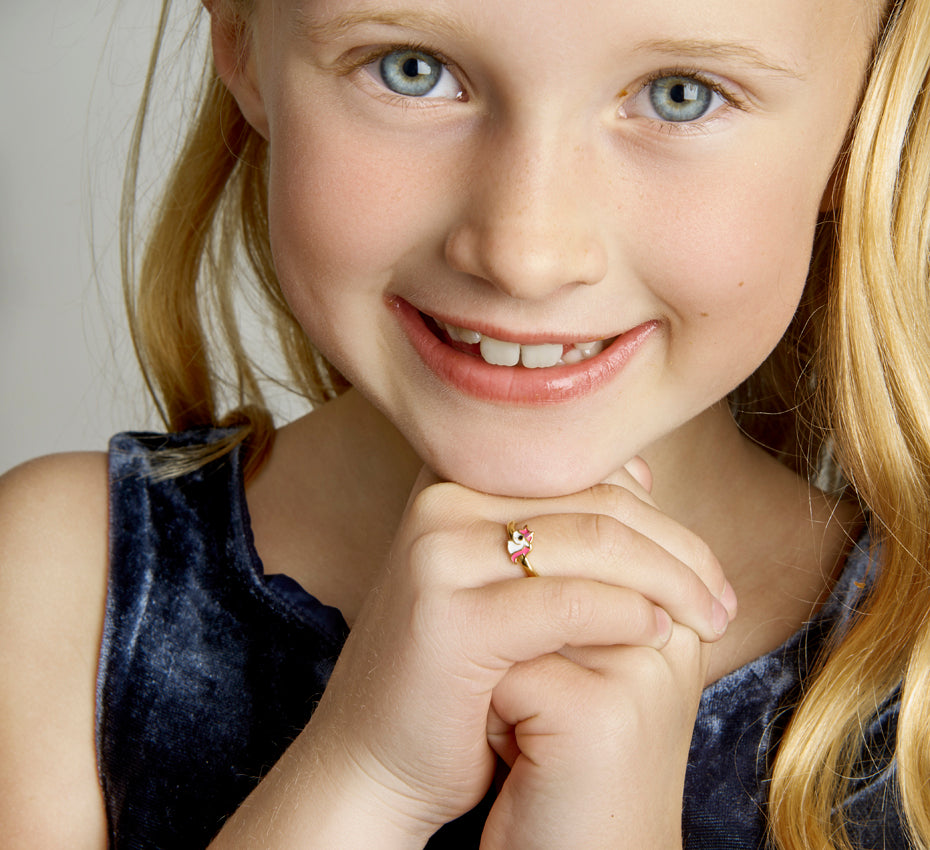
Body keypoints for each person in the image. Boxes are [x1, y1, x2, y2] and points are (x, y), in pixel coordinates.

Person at [1, 0, 928, 846]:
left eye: (681, 94)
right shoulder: (61, 590)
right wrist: (366, 782)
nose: (524, 252)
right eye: (410, 69)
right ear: (240, 38)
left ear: (866, 117)